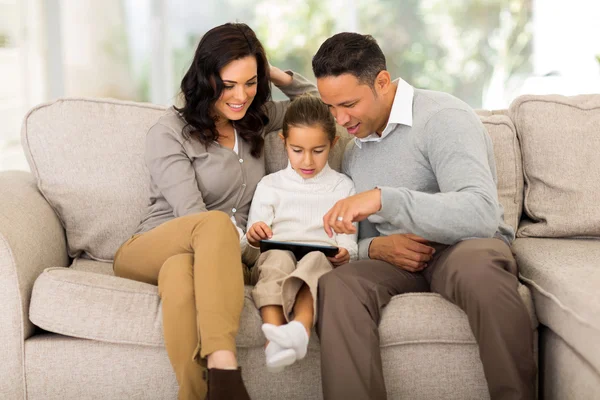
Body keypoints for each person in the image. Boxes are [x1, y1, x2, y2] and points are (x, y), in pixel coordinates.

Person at [309, 32, 536, 400]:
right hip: (398, 262)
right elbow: (356, 237)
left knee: (479, 271)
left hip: (462, 246)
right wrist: (376, 248)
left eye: (348, 104)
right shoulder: (354, 149)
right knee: (338, 285)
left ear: (382, 82)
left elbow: (480, 212)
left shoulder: (442, 117)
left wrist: (386, 200)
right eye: (331, 107)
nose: (339, 119)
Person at [112, 22, 317, 400]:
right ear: (207, 79)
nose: (241, 95)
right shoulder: (170, 132)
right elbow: (191, 216)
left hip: (216, 258)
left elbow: (315, 100)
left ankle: (195, 395)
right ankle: (226, 372)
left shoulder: (255, 118)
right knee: (212, 225)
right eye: (229, 84)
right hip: (151, 246)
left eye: (250, 83)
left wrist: (263, 65)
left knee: (179, 275)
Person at [241, 95, 358, 373]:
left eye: (318, 151)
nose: (307, 160)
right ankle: (274, 335)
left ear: (333, 144)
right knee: (279, 259)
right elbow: (249, 248)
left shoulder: (344, 187)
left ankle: (300, 331)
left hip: (321, 259)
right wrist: (254, 237)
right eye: (297, 150)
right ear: (284, 142)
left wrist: (344, 254)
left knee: (316, 259)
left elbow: (349, 245)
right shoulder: (270, 185)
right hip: (272, 257)